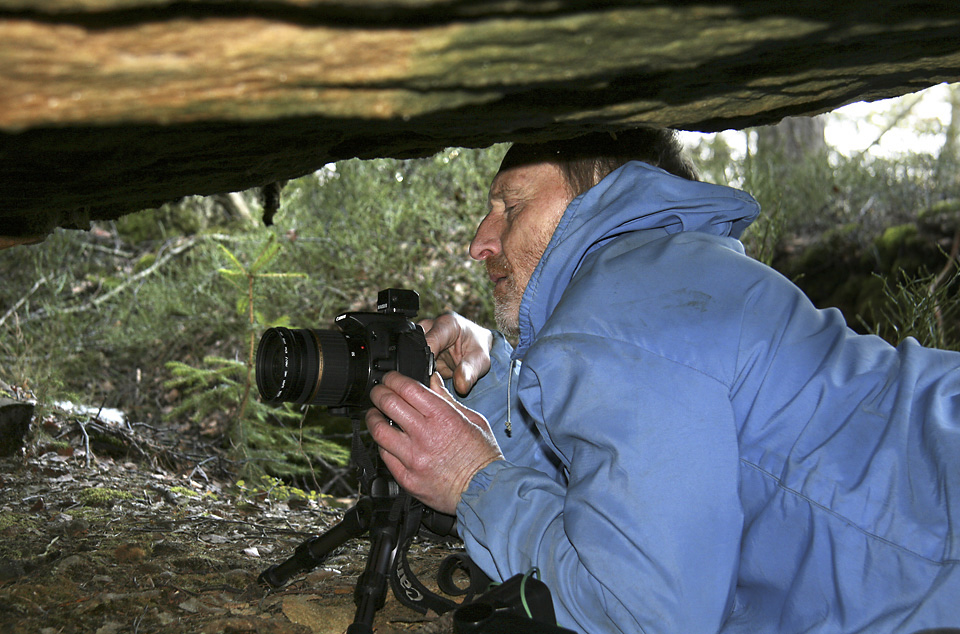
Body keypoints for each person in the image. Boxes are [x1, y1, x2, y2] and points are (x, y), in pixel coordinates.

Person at [364, 129, 960, 634]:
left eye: (511, 207)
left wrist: (473, 482)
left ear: (599, 188)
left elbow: (640, 611)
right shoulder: (666, 278)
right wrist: (489, 385)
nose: (479, 243)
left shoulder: (615, 310)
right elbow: (623, 503)